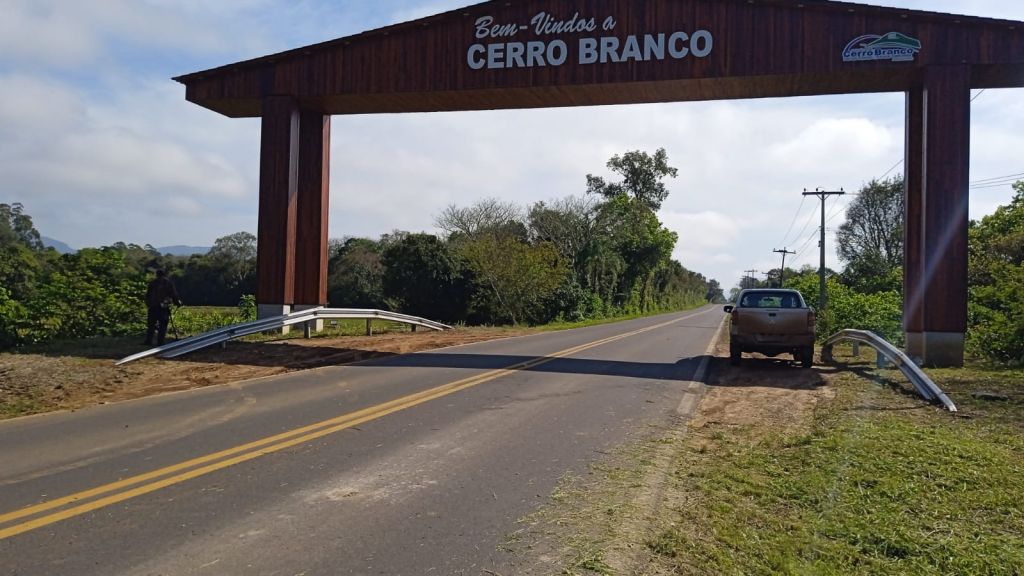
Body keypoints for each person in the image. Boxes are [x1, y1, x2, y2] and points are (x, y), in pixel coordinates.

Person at [144, 269, 182, 346]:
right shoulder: (168, 283)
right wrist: (177, 303)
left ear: (156, 274)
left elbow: (147, 295)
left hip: (153, 306)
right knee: (163, 325)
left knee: (151, 325)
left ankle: (149, 341)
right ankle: (160, 342)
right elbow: (173, 294)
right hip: (163, 307)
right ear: (164, 274)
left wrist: (148, 304)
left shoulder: (153, 283)